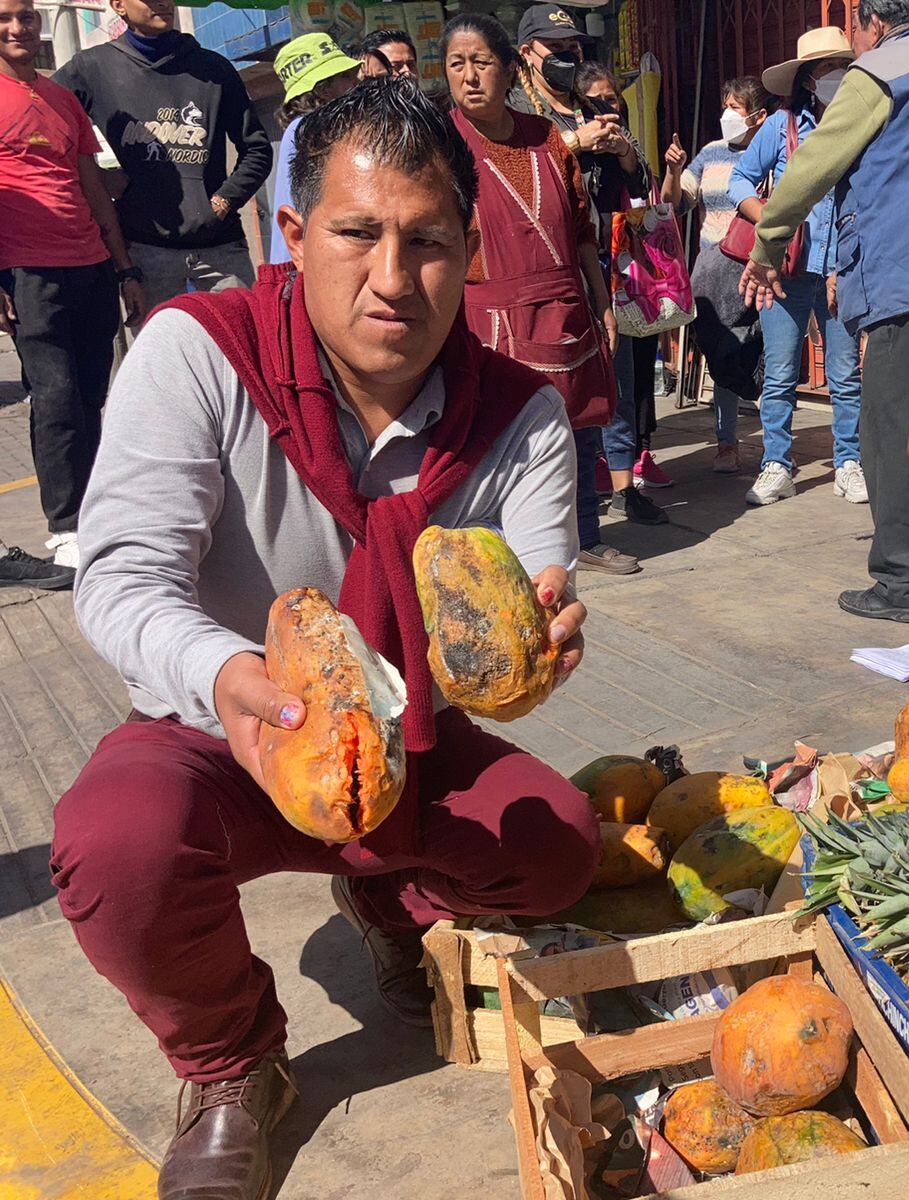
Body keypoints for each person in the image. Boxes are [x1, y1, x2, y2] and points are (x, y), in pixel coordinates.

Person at [52, 83, 597, 1198]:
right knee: (116, 845)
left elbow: (529, 604)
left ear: (472, 249)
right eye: (358, 234)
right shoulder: (200, 352)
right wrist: (224, 673)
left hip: (411, 739)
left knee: (558, 847)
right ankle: (232, 1064)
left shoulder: (522, 417)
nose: (393, 280)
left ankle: (396, 898)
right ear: (294, 235)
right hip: (229, 726)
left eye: (428, 241)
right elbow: (120, 581)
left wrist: (543, 641)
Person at [740, 0, 909, 620]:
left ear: (873, 22)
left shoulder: (881, 73)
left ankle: (903, 581)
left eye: (854, 34)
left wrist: (767, 245)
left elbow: (814, 163)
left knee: (899, 432)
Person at [443, 15, 619, 502]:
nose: (469, 77)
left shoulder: (546, 139)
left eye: (481, 63)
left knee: (576, 435)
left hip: (565, 314)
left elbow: (583, 231)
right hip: (486, 325)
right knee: (504, 448)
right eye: (456, 65)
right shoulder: (440, 147)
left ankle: (586, 535)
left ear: (510, 69)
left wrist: (602, 303)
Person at [0, 0, 146, 584]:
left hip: (89, 267)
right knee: (56, 400)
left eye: (26, 18)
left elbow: (92, 187)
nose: (17, 29)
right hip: (29, 273)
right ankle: (65, 529)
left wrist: (124, 268)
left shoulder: (61, 100)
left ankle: (94, 513)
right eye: (5, 18)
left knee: (90, 396)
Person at [512, 3, 650, 572]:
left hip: (589, 266)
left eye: (573, 49)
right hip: (525, 276)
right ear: (526, 54)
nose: (568, 59)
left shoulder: (593, 106)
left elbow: (636, 180)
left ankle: (588, 536)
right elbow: (504, 171)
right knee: (526, 411)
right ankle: (524, 537)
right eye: (554, 49)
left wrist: (620, 149)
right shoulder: (513, 111)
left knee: (588, 406)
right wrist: (572, 145)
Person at [54, 0, 273, 306]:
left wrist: (223, 201)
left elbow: (258, 150)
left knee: (240, 348)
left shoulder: (214, 69)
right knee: (158, 352)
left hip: (221, 249)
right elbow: (40, 125)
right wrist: (96, 178)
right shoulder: (90, 69)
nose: (162, 2)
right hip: (144, 253)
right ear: (119, 5)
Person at [728, 27, 865, 508]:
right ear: (808, 78)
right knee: (782, 373)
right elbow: (739, 179)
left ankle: (849, 462)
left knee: (846, 374)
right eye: (827, 69)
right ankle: (777, 465)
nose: (836, 77)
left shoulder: (863, 124)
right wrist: (771, 221)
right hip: (785, 271)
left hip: (844, 268)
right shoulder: (781, 126)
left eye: (841, 67)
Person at [661, 75, 772, 474]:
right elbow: (674, 204)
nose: (727, 115)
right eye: (725, 106)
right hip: (713, 271)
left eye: (735, 108)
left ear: (759, 117)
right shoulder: (709, 154)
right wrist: (673, 171)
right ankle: (727, 442)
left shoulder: (776, 151)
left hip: (762, 267)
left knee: (769, 352)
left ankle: (776, 447)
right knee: (723, 354)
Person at [576, 59, 671, 514]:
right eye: (594, 101)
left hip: (623, 271)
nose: (605, 109)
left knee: (624, 377)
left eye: (611, 99)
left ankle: (625, 486)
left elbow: (644, 187)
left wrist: (624, 153)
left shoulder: (622, 142)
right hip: (577, 268)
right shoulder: (564, 142)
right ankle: (590, 473)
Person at [265, 33, 360, 265]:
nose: (357, 83)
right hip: (307, 267)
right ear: (323, 89)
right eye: (346, 77)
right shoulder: (313, 130)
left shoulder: (298, 129)